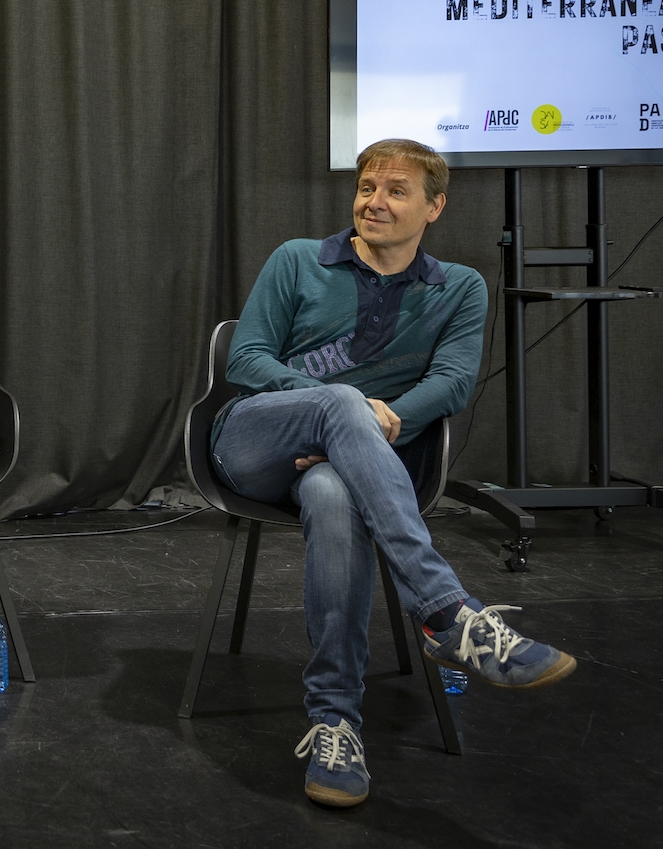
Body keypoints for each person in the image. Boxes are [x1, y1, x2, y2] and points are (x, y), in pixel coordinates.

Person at [213, 138, 576, 808]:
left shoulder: (458, 287)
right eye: (367, 187)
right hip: (256, 442)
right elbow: (248, 358)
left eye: (396, 190)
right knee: (340, 403)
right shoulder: (299, 259)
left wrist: (363, 431)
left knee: (331, 492)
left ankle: (334, 725)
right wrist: (333, 412)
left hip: (349, 467)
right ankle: (447, 612)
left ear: (434, 206)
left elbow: (454, 381)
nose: (373, 201)